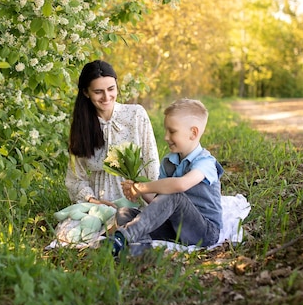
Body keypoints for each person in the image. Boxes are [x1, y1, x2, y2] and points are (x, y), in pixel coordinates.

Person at [111, 98, 224, 256]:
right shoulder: (168, 162)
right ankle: (139, 250)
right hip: (174, 227)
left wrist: (143, 187)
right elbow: (160, 202)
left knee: (175, 196)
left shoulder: (206, 162)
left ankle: (123, 237)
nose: (165, 137)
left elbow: (181, 185)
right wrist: (138, 190)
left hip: (204, 231)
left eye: (172, 131)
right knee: (125, 212)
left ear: (193, 133)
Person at [65, 60, 160, 205]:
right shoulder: (82, 126)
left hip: (136, 197)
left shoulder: (136, 114)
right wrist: (93, 201)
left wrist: (155, 200)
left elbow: (151, 162)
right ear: (86, 92)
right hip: (99, 201)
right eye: (98, 92)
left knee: (130, 226)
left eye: (111, 89)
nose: (106, 96)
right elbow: (76, 178)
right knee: (71, 228)